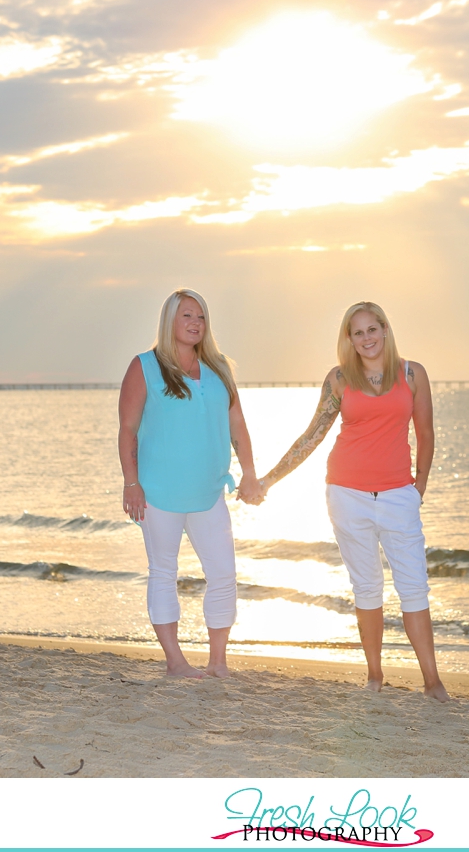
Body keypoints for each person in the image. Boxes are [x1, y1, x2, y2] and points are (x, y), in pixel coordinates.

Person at [259, 301, 449, 701]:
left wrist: (419, 489)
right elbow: (312, 437)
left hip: (399, 494)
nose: (366, 338)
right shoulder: (340, 379)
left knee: (414, 588)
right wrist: (268, 480)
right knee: (367, 587)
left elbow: (427, 434)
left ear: (385, 329)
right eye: (357, 332)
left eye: (371, 329)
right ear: (349, 339)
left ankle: (433, 683)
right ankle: (375, 675)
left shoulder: (413, 374)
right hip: (346, 494)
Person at [118, 288, 261, 679]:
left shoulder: (219, 369)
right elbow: (128, 428)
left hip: (209, 492)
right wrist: (132, 483)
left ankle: (217, 661)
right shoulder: (144, 366)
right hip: (159, 494)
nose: (196, 323)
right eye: (187, 316)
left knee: (223, 574)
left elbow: (238, 425)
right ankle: (175, 661)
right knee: (163, 572)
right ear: (170, 321)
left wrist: (248, 473)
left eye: (200, 316)